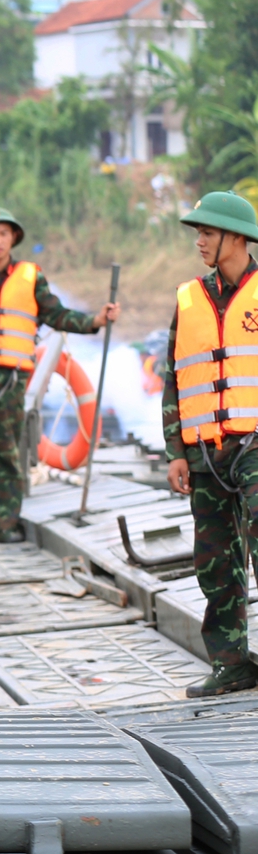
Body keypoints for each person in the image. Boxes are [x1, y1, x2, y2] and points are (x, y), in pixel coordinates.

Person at [0, 207, 117, 546]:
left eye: (4, 233)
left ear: (13, 238)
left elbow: (56, 314)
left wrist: (95, 321)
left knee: (9, 455)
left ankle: (5, 524)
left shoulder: (32, 278)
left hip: (11, 383)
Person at [163, 191, 258, 698]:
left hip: (256, 444)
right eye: (197, 233)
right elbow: (173, 378)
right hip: (204, 453)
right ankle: (232, 663)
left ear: (236, 237)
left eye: (207, 232)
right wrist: (175, 449)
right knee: (214, 558)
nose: (198, 241)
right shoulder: (187, 298)